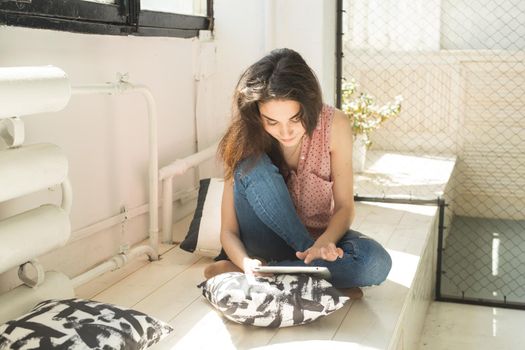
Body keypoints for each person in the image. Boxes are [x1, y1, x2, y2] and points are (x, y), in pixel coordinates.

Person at [204, 48, 391, 294]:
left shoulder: (335, 125)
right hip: (264, 245)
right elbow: (228, 231)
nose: (285, 132)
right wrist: (246, 263)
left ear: (309, 105)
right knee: (250, 166)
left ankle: (287, 274)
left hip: (319, 242)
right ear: (258, 115)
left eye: (295, 119)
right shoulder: (246, 136)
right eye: (272, 122)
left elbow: (345, 206)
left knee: (375, 263)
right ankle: (319, 276)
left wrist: (324, 245)